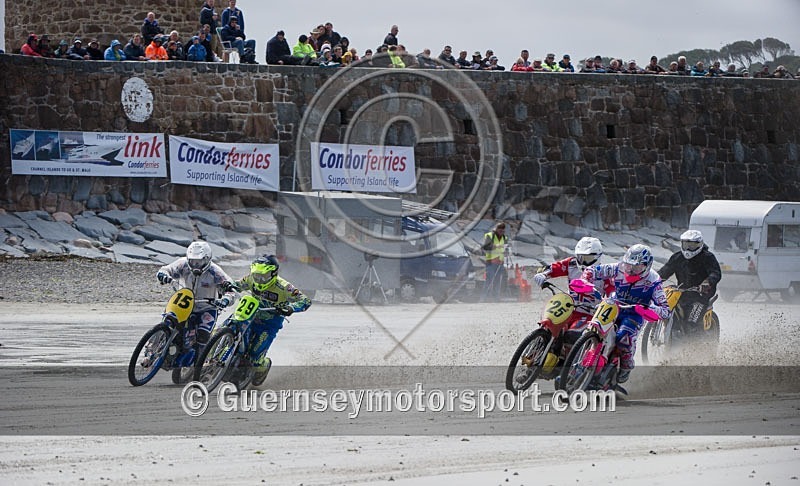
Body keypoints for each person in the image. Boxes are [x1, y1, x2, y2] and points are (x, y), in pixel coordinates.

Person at [580, 244, 671, 383]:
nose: (631, 270)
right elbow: (592, 270)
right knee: (591, 328)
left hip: (634, 314)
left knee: (623, 338)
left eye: (637, 267)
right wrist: (585, 281)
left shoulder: (653, 281)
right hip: (613, 305)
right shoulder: (617, 268)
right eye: (629, 265)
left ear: (647, 266)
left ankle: (626, 366)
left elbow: (665, 310)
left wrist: (648, 309)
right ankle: (577, 364)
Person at [232, 255, 311, 385]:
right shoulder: (251, 279)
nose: (260, 280)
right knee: (229, 325)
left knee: (255, 357)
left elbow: (306, 301)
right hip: (249, 315)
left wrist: (291, 308)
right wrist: (228, 284)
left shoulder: (284, 287)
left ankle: (264, 364)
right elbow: (238, 284)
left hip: (269, 324)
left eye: (264, 276)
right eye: (257, 276)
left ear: (274, 273)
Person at [156, 241, 235, 351]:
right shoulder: (182, 264)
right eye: (192, 261)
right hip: (182, 304)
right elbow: (167, 269)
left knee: (203, 336)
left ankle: (198, 364)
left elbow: (231, 289)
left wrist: (226, 300)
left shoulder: (215, 272)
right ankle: (153, 347)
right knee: (168, 321)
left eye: (199, 261)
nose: (195, 265)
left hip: (206, 308)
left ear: (207, 259)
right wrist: (163, 275)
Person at [533, 237, 614, 339]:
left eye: (587, 259)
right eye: (580, 258)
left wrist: (607, 302)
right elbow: (554, 268)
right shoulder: (571, 263)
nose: (583, 262)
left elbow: (612, 293)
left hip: (588, 313)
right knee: (548, 326)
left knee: (571, 336)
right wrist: (543, 275)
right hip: (567, 307)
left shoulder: (604, 274)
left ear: (598, 257)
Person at [657, 230, 722, 331]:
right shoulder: (677, 257)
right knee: (668, 312)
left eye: (691, 245)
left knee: (692, 323)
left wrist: (707, 282)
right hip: (681, 293)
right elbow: (665, 271)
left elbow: (715, 273)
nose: (688, 248)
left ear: (700, 244)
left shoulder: (708, 257)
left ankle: (695, 343)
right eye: (686, 244)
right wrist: (652, 281)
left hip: (701, 295)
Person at [480, 222, 508, 301]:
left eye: (503, 231)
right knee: (489, 280)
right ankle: (483, 298)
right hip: (490, 262)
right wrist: (495, 246)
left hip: (500, 262)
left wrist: (506, 252)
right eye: (500, 231)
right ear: (496, 229)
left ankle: (496, 298)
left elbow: (505, 248)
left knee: (497, 281)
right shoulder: (490, 236)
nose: (501, 233)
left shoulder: (504, 238)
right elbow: (485, 247)